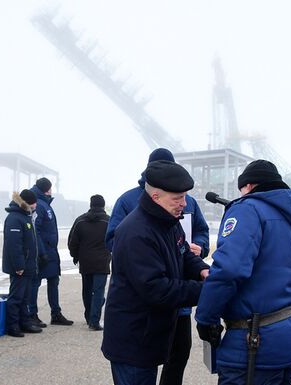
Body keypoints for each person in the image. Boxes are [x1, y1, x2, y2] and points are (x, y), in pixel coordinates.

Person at [195, 160, 291, 385]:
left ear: (249, 186)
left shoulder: (247, 209)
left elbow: (229, 270)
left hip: (253, 343)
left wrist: (206, 317)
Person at [105, 147, 210, 385]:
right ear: (155, 197)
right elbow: (156, 288)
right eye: (178, 198)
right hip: (133, 340)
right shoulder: (136, 233)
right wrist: (206, 290)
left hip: (150, 333)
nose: (184, 204)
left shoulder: (168, 221)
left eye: (184, 197)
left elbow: (183, 254)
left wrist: (203, 270)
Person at [29, 177, 73, 326]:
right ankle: (32, 314)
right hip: (43, 252)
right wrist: (41, 252)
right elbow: (37, 230)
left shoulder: (44, 204)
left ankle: (56, 313)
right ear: (46, 189)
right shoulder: (40, 205)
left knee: (53, 280)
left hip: (51, 251)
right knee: (36, 282)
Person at [2, 189, 43, 337]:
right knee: (16, 297)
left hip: (28, 265)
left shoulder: (26, 217)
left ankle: (24, 322)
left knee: (25, 297)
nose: (35, 205)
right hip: (20, 267)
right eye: (33, 203)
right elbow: (14, 245)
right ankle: (12, 326)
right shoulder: (14, 218)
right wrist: (19, 266)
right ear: (26, 203)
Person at [68, 194, 111, 331]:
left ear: (91, 205)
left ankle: (89, 316)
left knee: (87, 290)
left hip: (85, 261)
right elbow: (115, 239)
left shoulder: (80, 220)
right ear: (103, 205)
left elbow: (72, 242)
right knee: (98, 292)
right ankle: (94, 321)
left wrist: (75, 256)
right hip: (101, 261)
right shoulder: (108, 221)